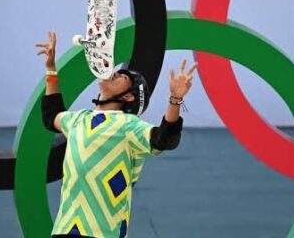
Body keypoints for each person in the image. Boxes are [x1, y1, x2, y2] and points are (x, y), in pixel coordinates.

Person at [36, 31, 197, 238]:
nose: (115, 73)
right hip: (65, 228)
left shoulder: (128, 126)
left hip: (104, 232)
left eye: (123, 77)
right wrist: (51, 70)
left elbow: (163, 140)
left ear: (129, 96)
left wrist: (175, 99)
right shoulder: (78, 119)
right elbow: (51, 115)